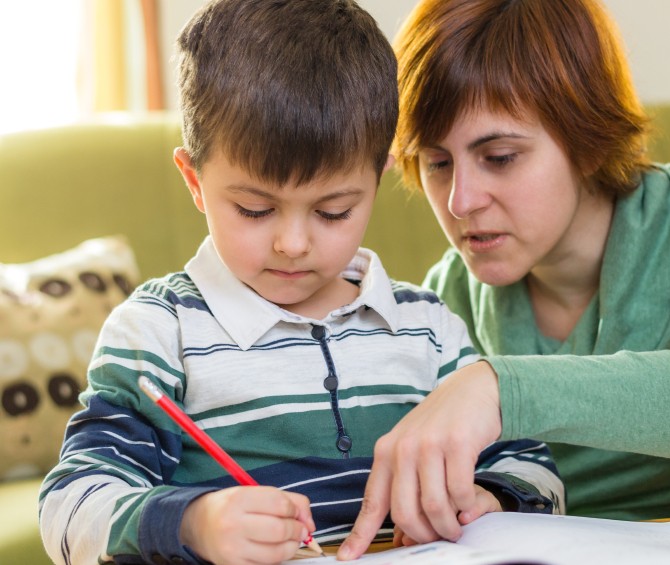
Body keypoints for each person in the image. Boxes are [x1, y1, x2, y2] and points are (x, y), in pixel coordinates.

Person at [37, 1, 564, 564]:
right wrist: (192, 523)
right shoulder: (159, 332)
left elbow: (535, 469)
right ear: (194, 179)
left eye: (333, 211)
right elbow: (69, 507)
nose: (293, 243)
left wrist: (490, 500)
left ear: (379, 176)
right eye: (255, 210)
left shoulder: (428, 328)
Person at [335, 0, 670, 558]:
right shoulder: (446, 300)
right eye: (437, 162)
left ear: (587, 139)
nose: (461, 201)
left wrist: (501, 389)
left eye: (498, 156)